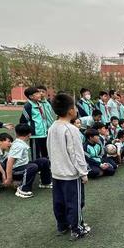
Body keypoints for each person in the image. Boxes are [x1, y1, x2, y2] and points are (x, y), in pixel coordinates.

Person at [47, 93, 90, 240]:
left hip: (56, 172)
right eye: (75, 107)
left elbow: (49, 149)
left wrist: (54, 166)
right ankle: (77, 229)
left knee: (59, 201)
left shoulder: (52, 127)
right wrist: (83, 173)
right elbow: (77, 154)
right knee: (75, 202)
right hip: (71, 174)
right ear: (71, 111)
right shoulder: (72, 129)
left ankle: (62, 225)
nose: (77, 110)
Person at [5, 123, 52, 198]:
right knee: (33, 166)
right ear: (29, 135)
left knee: (44, 161)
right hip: (16, 171)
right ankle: (23, 189)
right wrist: (9, 178)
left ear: (16, 133)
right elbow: (10, 162)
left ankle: (45, 182)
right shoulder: (19, 146)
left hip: (23, 167)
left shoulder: (20, 143)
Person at [20, 87, 49, 159]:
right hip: (35, 135)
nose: (40, 94)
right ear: (31, 96)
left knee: (45, 153)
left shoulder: (39, 104)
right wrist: (28, 132)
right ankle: (36, 168)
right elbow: (23, 121)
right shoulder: (28, 106)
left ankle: (45, 168)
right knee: (36, 155)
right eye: (37, 93)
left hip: (43, 134)